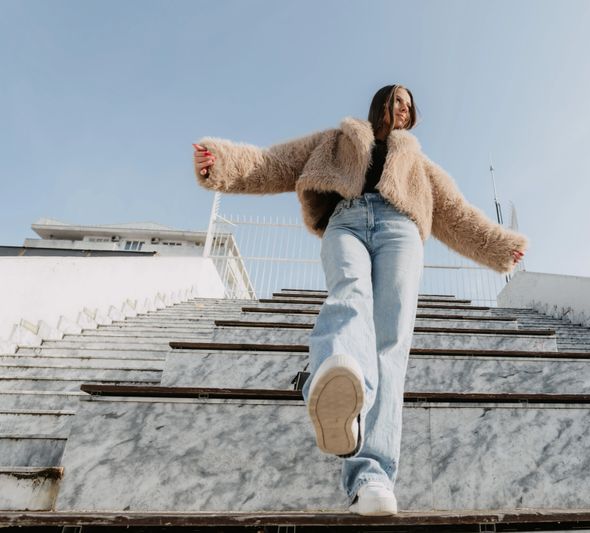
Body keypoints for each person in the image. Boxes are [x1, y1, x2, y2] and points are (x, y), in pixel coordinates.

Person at [192, 84, 527, 516]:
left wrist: (501, 247)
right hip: (345, 221)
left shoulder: (418, 165)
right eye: (398, 100)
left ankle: (372, 478)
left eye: (410, 104)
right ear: (381, 104)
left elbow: (457, 214)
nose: (404, 108)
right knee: (349, 294)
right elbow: (274, 163)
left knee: (390, 343)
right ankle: (333, 381)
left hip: (400, 231)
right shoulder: (336, 141)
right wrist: (220, 162)